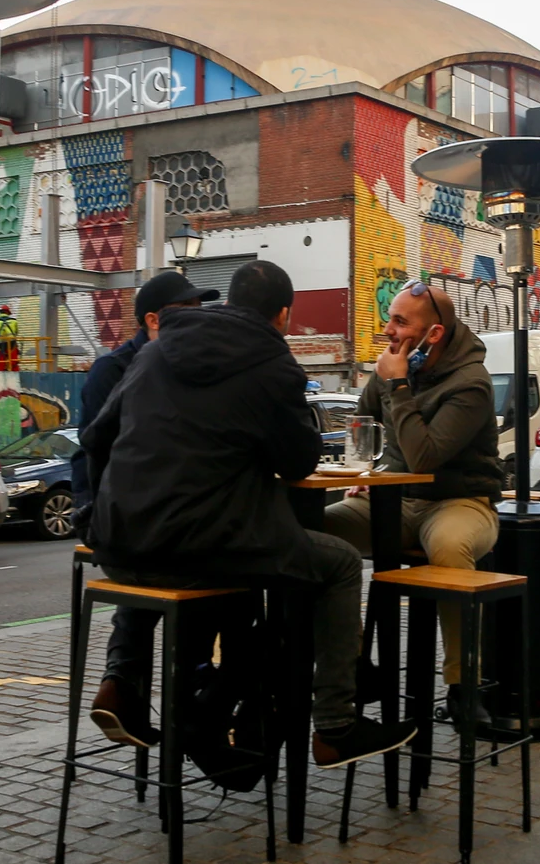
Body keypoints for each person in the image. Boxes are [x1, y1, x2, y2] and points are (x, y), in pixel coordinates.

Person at [83, 260, 414, 769]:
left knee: (222, 574)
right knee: (342, 564)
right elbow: (299, 461)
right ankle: (334, 725)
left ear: (230, 304)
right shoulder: (273, 365)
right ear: (282, 315)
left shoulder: (153, 355)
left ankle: (127, 685)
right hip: (205, 551)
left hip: (119, 546)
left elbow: (95, 438)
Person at [327, 280, 503, 721]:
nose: (388, 330)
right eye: (390, 318)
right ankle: (348, 665)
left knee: (448, 547)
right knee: (315, 533)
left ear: (435, 335)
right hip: (393, 499)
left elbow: (425, 456)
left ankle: (464, 685)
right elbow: (362, 422)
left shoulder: (471, 384)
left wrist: (399, 386)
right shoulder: (393, 367)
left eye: (400, 322)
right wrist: (369, 473)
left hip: (460, 502)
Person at [70, 271, 219, 517]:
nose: (199, 315)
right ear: (153, 320)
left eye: (199, 307)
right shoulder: (112, 370)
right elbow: (94, 447)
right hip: (129, 512)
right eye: (186, 307)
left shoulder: (198, 363)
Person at [0, 305, 21, 371]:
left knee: (0, 361)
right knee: (14, 361)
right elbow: (16, 332)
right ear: (8, 312)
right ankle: (15, 374)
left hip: (0, 345)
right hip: (12, 344)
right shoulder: (14, 321)